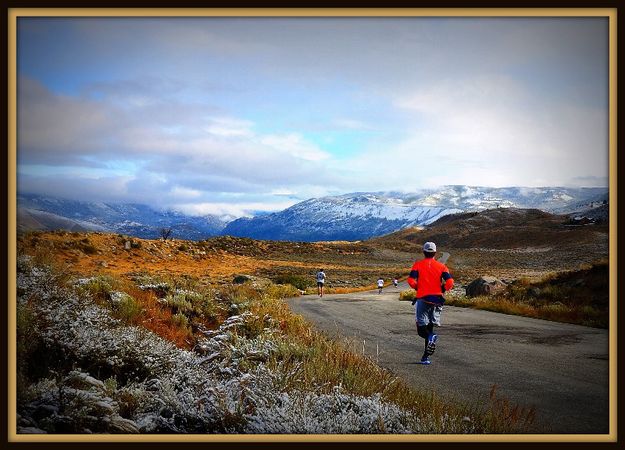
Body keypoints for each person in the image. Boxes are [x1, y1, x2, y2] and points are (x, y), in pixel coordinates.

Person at [407, 241, 454, 365]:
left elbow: (411, 280)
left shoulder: (418, 265)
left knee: (422, 329)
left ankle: (430, 338)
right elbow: (449, 282)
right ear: (435, 253)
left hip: (423, 298)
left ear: (424, 252)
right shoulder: (442, 267)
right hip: (437, 300)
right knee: (430, 327)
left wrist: (418, 287)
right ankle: (425, 357)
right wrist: (442, 289)